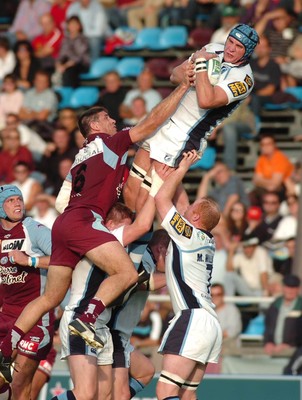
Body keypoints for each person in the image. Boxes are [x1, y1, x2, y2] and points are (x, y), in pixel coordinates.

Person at [0, 74, 191, 383]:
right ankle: (88, 319)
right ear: (95, 126)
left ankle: (6, 349)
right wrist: (182, 87)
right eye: (107, 117)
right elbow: (150, 122)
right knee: (126, 273)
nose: (113, 120)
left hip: (63, 223)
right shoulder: (109, 142)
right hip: (83, 220)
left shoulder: (82, 155)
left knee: (50, 298)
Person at [123, 23, 259, 211]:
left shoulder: (244, 79)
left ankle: (149, 237)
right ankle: (133, 238)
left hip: (184, 137)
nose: (230, 48)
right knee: (131, 189)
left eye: (238, 47)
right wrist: (189, 73)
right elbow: (174, 75)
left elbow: (206, 100)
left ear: (247, 52)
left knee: (147, 199)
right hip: (163, 123)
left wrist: (200, 64)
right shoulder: (213, 48)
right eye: (231, 41)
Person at [153, 151, 222, 399]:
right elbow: (182, 206)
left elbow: (162, 199)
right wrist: (175, 171)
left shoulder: (188, 235)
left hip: (192, 318)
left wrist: (181, 168)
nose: (186, 207)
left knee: (165, 390)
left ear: (195, 218)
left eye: (191, 208)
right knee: (187, 394)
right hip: (211, 323)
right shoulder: (206, 238)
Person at [0, 185, 53, 398]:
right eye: (10, 200)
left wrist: (29, 260)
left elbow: (65, 259)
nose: (17, 203)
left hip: (35, 319)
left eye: (19, 199)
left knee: (21, 384)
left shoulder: (34, 229)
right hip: (6, 317)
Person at [250, 134, 294, 205]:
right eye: (263, 144)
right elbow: (255, 180)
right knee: (250, 196)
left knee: (267, 196)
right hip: (266, 188)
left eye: (268, 144)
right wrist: (268, 185)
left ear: (274, 145)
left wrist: (263, 182)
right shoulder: (262, 159)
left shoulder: (280, 158)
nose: (265, 147)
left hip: (284, 189)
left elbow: (276, 182)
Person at [264, 274, 302, 357]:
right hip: (273, 351)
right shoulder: (275, 304)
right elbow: (268, 325)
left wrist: (290, 345)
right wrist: (268, 342)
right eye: (287, 287)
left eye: (293, 288)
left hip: (295, 353)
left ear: (298, 289)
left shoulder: (300, 306)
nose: (290, 290)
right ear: (283, 288)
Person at [55, 15, 90, 87]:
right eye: (70, 24)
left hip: (80, 64)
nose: (72, 26)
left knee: (70, 71)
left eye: (75, 24)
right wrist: (58, 64)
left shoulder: (82, 39)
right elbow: (61, 54)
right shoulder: (65, 39)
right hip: (66, 63)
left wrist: (65, 66)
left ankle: (70, 91)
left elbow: (79, 58)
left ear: (79, 26)